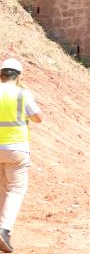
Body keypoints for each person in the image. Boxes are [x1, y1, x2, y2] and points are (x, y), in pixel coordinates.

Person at [0, 58, 43, 253]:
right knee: (16, 190)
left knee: (2, 190)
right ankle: (4, 230)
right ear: (19, 76)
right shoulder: (22, 94)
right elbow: (38, 118)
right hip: (17, 149)